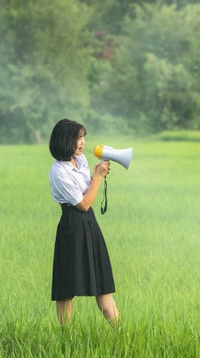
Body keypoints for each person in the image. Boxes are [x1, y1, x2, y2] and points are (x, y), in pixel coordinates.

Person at [48, 118, 119, 327]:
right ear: (64, 141)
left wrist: (95, 175)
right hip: (72, 225)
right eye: (78, 138)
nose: (83, 143)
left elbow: (88, 196)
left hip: (90, 224)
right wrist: (97, 177)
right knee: (66, 287)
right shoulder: (59, 171)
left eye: (83, 138)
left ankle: (121, 334)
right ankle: (65, 338)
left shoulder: (81, 161)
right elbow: (84, 203)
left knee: (103, 283)